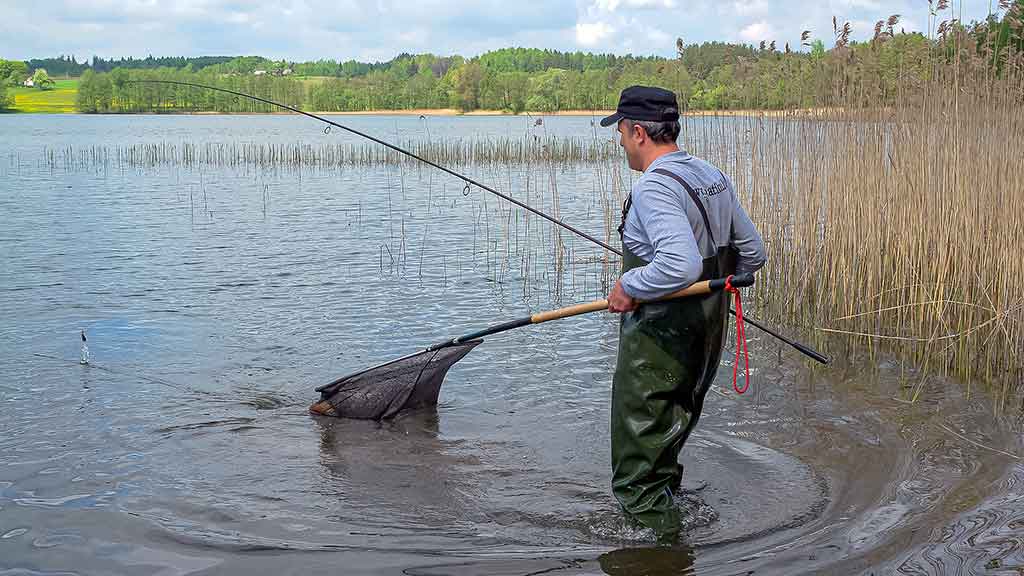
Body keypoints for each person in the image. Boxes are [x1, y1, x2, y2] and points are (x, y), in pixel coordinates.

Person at [600, 86, 766, 540]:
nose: (619, 142)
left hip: (658, 344)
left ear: (638, 132)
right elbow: (752, 252)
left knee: (636, 477)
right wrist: (719, 289)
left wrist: (628, 286)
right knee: (667, 441)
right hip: (707, 338)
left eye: (620, 131)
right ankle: (669, 519)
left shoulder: (653, 188)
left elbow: (681, 264)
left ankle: (665, 555)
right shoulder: (710, 174)